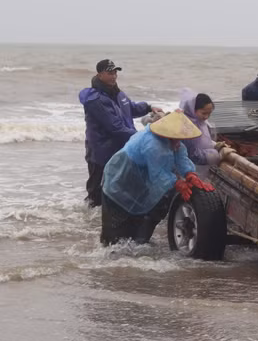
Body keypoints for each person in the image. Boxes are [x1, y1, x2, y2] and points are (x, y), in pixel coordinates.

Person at [100, 110, 214, 245]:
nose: (179, 141)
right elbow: (159, 175)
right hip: (119, 181)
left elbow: (181, 157)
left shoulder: (172, 141)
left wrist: (190, 174)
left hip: (139, 181)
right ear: (168, 133)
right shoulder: (153, 144)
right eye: (176, 138)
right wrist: (178, 183)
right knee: (115, 230)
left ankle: (138, 245)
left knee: (137, 224)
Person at [79, 59, 162, 207]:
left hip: (120, 148)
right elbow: (115, 127)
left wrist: (149, 107)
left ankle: (112, 211)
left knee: (118, 185)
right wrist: (141, 137)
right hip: (100, 151)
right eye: (110, 73)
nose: (114, 76)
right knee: (96, 190)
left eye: (115, 72)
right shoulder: (95, 100)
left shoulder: (118, 94)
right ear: (99, 75)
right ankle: (88, 217)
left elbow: (131, 108)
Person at [179, 90, 220, 178]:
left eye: (209, 113)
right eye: (204, 113)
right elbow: (193, 155)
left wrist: (215, 145)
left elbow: (204, 140)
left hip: (203, 167)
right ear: (193, 110)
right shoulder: (187, 126)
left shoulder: (201, 122)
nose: (206, 117)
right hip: (190, 170)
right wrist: (217, 155)